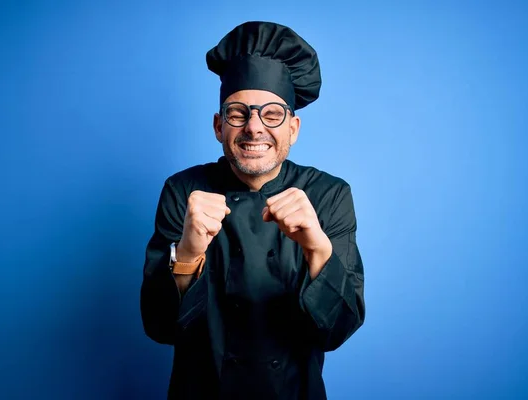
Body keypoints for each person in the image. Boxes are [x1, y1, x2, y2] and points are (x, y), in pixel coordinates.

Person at [140, 21, 365, 400]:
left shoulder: (328, 195)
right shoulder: (183, 191)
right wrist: (189, 252)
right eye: (238, 113)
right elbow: (159, 327)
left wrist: (317, 249)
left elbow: (338, 331)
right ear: (218, 126)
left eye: (272, 114)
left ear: (293, 128)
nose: (254, 128)